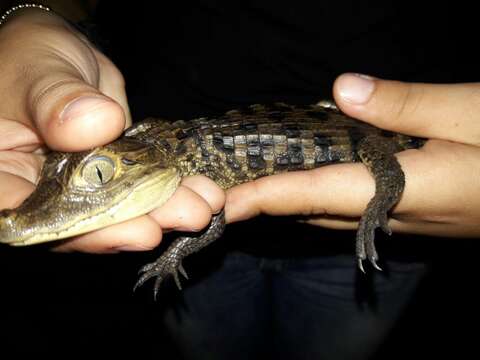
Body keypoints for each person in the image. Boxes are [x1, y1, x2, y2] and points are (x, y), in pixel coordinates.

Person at [0, 2, 479, 359]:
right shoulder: (173, 155)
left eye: (99, 174)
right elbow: (211, 218)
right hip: (218, 271)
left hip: (385, 221)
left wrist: (381, 207)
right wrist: (29, 19)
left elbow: (213, 219)